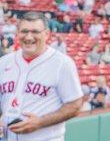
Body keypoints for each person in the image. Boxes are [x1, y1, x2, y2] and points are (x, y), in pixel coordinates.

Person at [0, 11, 83, 140]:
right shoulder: (4, 62)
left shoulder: (62, 63)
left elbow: (75, 106)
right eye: (24, 31)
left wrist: (40, 122)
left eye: (35, 32)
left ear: (46, 34)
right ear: (17, 33)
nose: (28, 37)